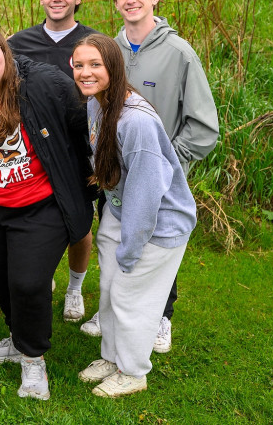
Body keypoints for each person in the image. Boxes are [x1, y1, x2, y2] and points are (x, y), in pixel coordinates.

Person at [0, 24, 95, 401]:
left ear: (6, 52)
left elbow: (85, 121)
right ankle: (17, 338)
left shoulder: (43, 84)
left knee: (29, 283)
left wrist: (95, 172)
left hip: (40, 204)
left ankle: (33, 361)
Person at [85, 0, 218, 353]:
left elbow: (204, 126)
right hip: (114, 179)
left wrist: (167, 164)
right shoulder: (111, 50)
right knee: (116, 241)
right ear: (115, 3)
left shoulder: (179, 53)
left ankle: (161, 316)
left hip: (158, 178)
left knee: (158, 244)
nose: (131, 1)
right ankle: (110, 308)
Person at [71, 34, 196, 397]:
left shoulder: (136, 121)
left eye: (95, 65)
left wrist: (131, 247)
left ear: (114, 66)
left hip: (156, 223)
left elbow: (146, 192)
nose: (86, 72)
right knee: (109, 290)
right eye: (79, 65)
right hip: (119, 209)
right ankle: (112, 357)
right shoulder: (97, 103)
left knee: (131, 297)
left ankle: (133, 371)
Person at [8, 0, 101, 323]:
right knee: (35, 220)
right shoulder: (18, 43)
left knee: (78, 222)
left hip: (79, 148)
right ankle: (41, 277)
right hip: (32, 152)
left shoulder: (94, 43)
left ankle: (75, 288)